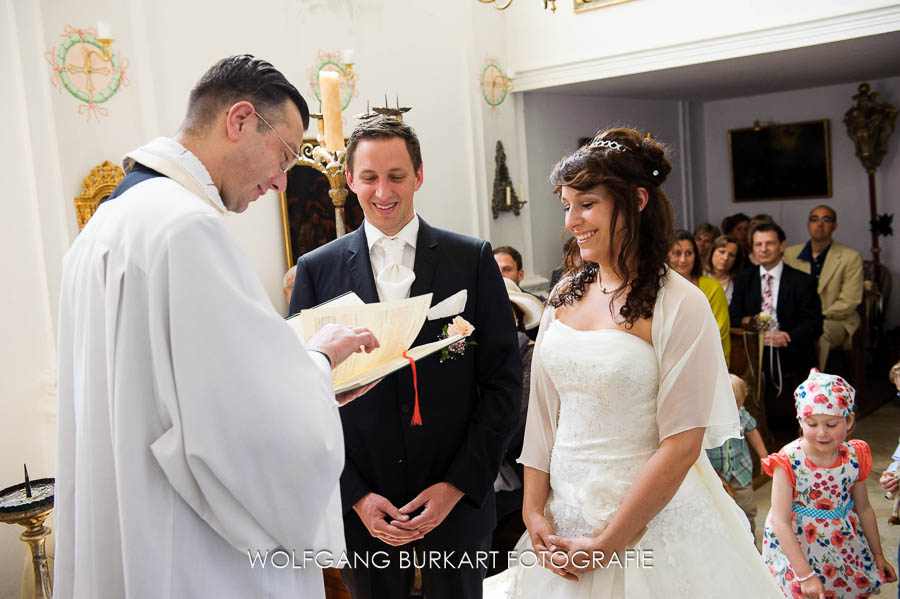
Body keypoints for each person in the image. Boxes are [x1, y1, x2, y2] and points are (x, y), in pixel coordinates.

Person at [54, 55, 381, 599]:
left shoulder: (105, 227)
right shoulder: (187, 228)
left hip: (128, 526)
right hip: (188, 550)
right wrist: (318, 364)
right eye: (286, 155)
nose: (281, 181)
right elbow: (235, 421)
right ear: (241, 120)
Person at [486, 128, 783, 598]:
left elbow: (682, 443)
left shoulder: (679, 304)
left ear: (637, 200)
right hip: (562, 515)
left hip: (652, 524)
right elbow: (543, 415)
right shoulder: (564, 293)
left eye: (586, 204)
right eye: (566, 206)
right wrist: (533, 511)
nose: (571, 221)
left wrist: (609, 542)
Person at [290, 116, 522, 599]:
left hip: (455, 504)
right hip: (364, 510)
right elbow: (304, 402)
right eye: (369, 177)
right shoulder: (317, 271)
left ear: (418, 175)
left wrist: (456, 486)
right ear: (349, 180)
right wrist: (354, 496)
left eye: (396, 176)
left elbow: (503, 385)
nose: (383, 191)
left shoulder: (471, 258)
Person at [761, 369, 897, 598]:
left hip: (843, 544)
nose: (822, 433)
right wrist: (804, 575)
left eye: (832, 424)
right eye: (812, 424)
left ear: (849, 420)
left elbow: (863, 508)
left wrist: (878, 555)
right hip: (798, 547)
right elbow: (780, 520)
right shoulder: (788, 460)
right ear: (800, 420)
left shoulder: (855, 456)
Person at [729, 222, 823, 440]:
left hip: (789, 348)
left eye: (769, 243)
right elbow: (734, 316)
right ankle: (758, 432)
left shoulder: (802, 280)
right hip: (755, 350)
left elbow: (814, 323)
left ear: (782, 246)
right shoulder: (744, 278)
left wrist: (786, 336)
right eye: (758, 244)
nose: (763, 249)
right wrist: (756, 327)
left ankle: (798, 432)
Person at [492, 277, 543, 571]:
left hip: (513, 463)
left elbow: (519, 422)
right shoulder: (473, 352)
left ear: (515, 316)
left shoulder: (528, 353)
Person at [784, 205, 864, 371]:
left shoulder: (850, 257)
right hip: (800, 319)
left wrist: (813, 317)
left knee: (818, 333)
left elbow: (850, 300)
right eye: (814, 219)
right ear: (808, 225)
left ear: (834, 226)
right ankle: (782, 385)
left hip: (835, 320)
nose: (819, 224)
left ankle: (816, 387)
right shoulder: (789, 254)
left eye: (826, 220)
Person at [706, 375, 768, 535]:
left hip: (740, 471)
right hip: (715, 474)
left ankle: (750, 538)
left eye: (739, 404)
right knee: (717, 509)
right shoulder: (707, 417)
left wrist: (763, 455)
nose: (735, 410)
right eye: (731, 406)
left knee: (746, 507)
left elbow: (752, 432)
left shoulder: (741, 413)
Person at [668, 229, 731, 368]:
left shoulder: (712, 287)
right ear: (667, 256)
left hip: (707, 360)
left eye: (688, 253)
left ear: (696, 256)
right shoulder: (658, 288)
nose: (683, 259)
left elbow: (718, 332)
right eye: (677, 253)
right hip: (668, 360)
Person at [705, 234, 741, 303]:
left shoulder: (738, 282)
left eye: (731, 255)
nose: (725, 258)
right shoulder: (698, 276)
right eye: (722, 252)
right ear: (712, 252)